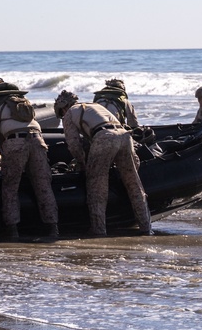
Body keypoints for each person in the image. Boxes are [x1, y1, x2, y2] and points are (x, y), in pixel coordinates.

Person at [54, 90, 152, 236]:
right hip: (124, 137)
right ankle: (146, 227)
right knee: (134, 184)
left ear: (63, 108)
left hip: (104, 138)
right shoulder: (94, 106)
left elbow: (74, 144)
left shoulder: (69, 113)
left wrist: (82, 163)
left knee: (96, 186)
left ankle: (98, 229)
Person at [0, 83, 58, 240]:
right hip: (38, 140)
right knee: (44, 185)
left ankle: (13, 231)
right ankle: (53, 228)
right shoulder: (22, 101)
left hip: (14, 142)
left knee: (10, 187)